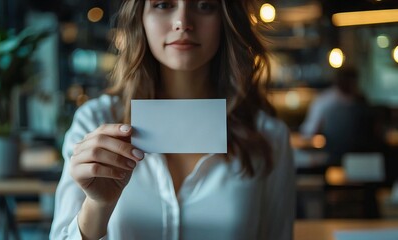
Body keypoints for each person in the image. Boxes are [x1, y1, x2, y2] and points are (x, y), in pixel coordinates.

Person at [50, 1, 295, 239]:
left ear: (225, 19)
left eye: (204, 5)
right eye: (163, 4)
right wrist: (97, 206)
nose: (182, 22)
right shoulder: (95, 121)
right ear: (140, 18)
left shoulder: (268, 136)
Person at [300, 68, 383, 165]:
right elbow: (310, 131)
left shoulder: (360, 101)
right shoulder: (326, 102)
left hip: (345, 158)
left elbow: (308, 131)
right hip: (357, 160)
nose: (352, 85)